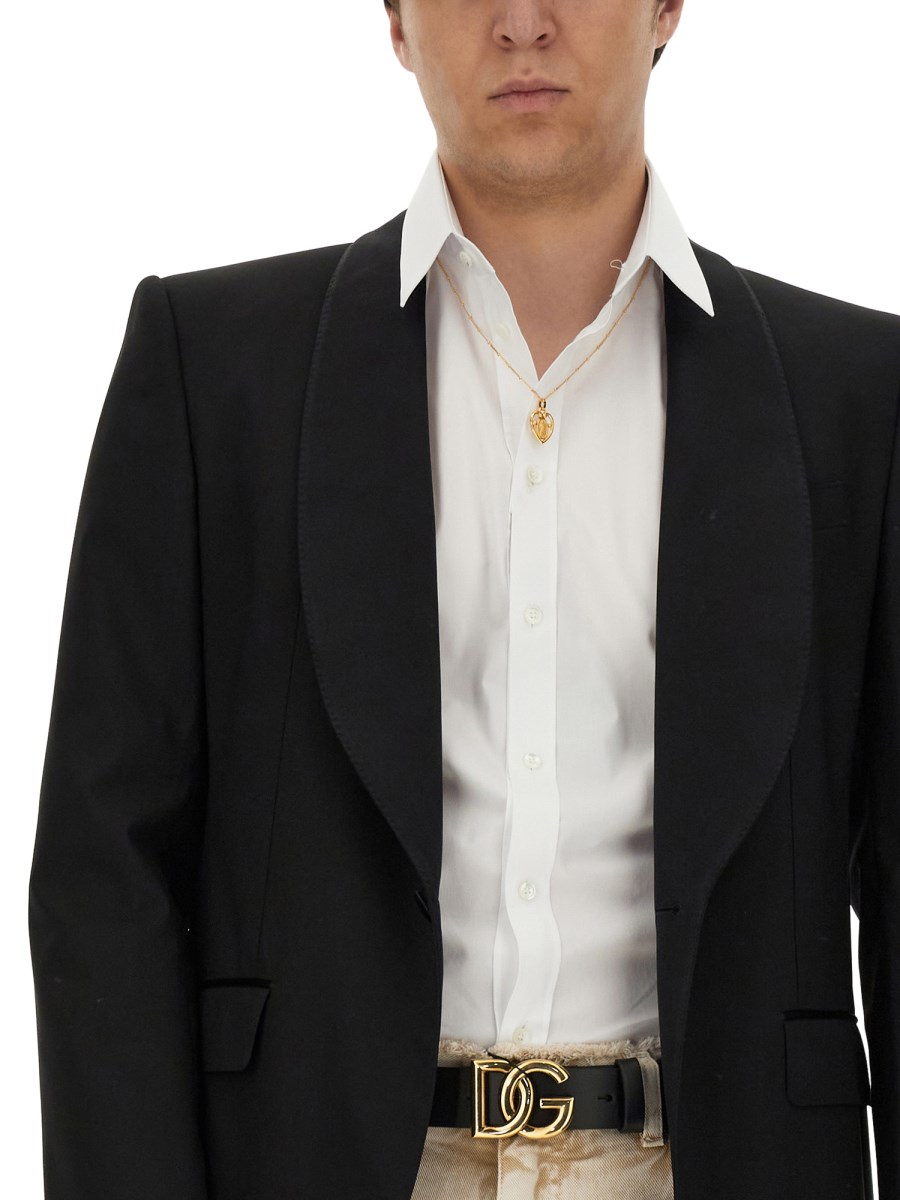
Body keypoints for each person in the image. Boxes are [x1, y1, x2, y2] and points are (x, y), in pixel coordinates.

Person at [27, 1, 899, 1197]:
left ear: (667, 8)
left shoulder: (857, 401)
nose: (522, 23)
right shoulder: (212, 372)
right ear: (394, 19)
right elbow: (104, 868)